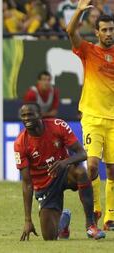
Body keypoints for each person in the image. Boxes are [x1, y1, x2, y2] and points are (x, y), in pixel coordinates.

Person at [15, 103, 105, 240]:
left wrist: (64, 163)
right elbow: (27, 183)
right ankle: (63, 223)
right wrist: (28, 220)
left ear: (39, 115)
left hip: (65, 173)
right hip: (45, 186)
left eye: (30, 114)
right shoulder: (20, 143)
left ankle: (90, 225)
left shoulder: (58, 125)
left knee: (81, 172)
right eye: (23, 116)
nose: (26, 118)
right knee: (49, 237)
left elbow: (82, 154)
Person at [66, 0, 114, 230]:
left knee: (113, 169)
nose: (108, 33)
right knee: (93, 166)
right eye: (104, 30)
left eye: (111, 29)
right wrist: (78, 11)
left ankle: (110, 217)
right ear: (97, 32)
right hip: (93, 118)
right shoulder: (88, 51)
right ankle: (95, 208)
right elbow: (70, 31)